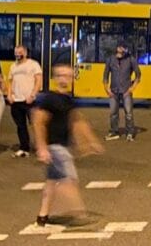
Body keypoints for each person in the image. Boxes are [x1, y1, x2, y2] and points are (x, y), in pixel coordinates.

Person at [33, 65, 103, 225]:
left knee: (51, 182)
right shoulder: (49, 99)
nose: (64, 79)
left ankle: (42, 216)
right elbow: (38, 121)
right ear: (55, 78)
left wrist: (89, 142)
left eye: (67, 76)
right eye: (60, 75)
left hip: (61, 146)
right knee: (69, 180)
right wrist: (42, 147)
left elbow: (77, 121)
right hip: (55, 147)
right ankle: (78, 212)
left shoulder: (68, 100)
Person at [7, 45, 43, 157]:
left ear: (26, 53)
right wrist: (9, 95)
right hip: (16, 101)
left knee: (36, 125)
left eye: (20, 52)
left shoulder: (33, 64)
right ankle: (24, 148)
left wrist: (32, 95)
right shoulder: (13, 66)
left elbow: (38, 80)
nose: (18, 54)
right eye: (16, 52)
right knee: (20, 126)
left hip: (29, 101)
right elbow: (10, 81)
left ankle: (42, 148)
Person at [103, 42, 141, 141]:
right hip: (113, 90)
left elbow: (138, 75)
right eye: (121, 47)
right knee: (113, 113)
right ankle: (114, 132)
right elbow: (105, 75)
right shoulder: (110, 59)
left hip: (126, 91)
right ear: (117, 48)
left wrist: (132, 88)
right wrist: (106, 88)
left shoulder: (131, 59)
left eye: (124, 48)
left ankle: (130, 133)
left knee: (128, 113)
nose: (122, 50)